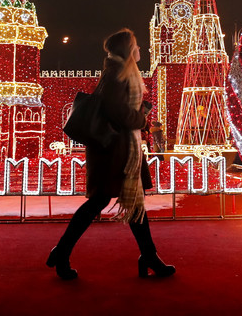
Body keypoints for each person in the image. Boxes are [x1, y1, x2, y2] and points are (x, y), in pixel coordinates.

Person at [47, 29, 175, 280]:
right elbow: (117, 111)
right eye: (137, 46)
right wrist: (140, 118)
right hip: (115, 152)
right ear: (128, 50)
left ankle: (148, 256)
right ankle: (62, 251)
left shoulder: (119, 73)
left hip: (121, 149)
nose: (141, 50)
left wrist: (138, 118)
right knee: (99, 202)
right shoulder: (117, 74)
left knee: (133, 204)